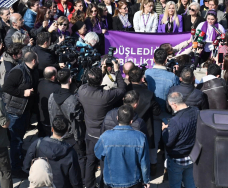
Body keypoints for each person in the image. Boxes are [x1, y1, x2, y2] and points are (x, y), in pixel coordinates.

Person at [77, 60, 127, 188]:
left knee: (90, 161)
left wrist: (102, 72)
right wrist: (117, 71)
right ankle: (104, 184)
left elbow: (88, 83)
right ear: (101, 81)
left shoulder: (82, 91)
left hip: (89, 133)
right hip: (104, 135)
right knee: (105, 162)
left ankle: (88, 184)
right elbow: (122, 89)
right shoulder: (105, 96)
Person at [1, 51, 39, 177]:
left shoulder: (32, 70)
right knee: (15, 140)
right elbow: (6, 87)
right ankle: (15, 168)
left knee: (19, 138)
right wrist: (23, 93)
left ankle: (18, 158)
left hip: (24, 110)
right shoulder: (18, 71)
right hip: (15, 111)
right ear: (33, 60)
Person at [95, 104, 150, 188]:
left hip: (111, 181)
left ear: (117, 118)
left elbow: (98, 154)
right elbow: (144, 163)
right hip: (133, 181)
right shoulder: (141, 138)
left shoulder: (105, 137)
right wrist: (146, 180)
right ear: (131, 121)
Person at [23, 115, 83, 188]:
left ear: (52, 129)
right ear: (67, 131)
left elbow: (26, 166)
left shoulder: (37, 144)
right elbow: (75, 181)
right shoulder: (70, 152)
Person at [162, 92, 198, 188]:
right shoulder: (196, 111)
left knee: (175, 185)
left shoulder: (175, 120)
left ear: (174, 104)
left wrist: (165, 130)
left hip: (177, 158)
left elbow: (169, 142)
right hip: (192, 155)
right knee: (191, 183)